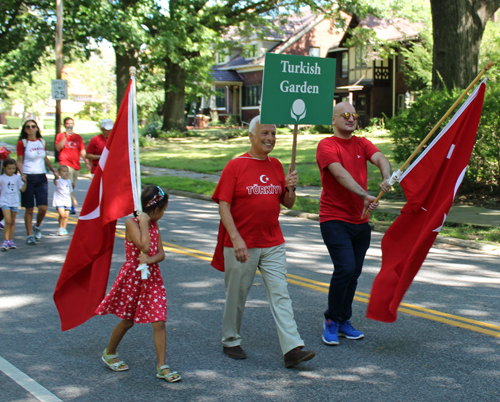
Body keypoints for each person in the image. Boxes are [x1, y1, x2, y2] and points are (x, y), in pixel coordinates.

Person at [211, 115, 315, 368]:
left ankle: (292, 348)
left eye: (273, 133)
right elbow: (223, 205)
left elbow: (287, 203)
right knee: (237, 294)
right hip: (241, 243)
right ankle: (230, 340)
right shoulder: (236, 166)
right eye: (264, 133)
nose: (270, 138)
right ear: (251, 136)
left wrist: (291, 187)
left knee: (281, 294)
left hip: (272, 242)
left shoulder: (276, 165)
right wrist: (235, 238)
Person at [316, 102, 392, 345]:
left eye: (354, 115)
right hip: (334, 219)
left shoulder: (361, 142)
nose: (351, 119)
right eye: (345, 115)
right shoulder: (326, 145)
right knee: (345, 268)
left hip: (360, 221)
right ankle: (331, 320)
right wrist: (364, 195)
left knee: (354, 274)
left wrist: (386, 176)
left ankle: (343, 320)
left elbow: (380, 157)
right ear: (334, 119)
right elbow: (339, 174)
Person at [95, 186, 181, 383]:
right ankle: (109, 352)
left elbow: (160, 253)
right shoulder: (131, 223)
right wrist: (143, 223)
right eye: (164, 209)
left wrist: (150, 261)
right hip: (133, 277)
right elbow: (144, 246)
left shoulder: (154, 225)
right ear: (156, 209)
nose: (164, 213)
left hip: (152, 277)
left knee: (159, 321)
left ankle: (162, 366)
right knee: (128, 321)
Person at [16, 120, 59, 245]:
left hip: (41, 177)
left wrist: (54, 171)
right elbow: (19, 160)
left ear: (37, 128)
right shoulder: (23, 143)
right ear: (24, 130)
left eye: (33, 126)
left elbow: (45, 158)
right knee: (29, 209)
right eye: (28, 127)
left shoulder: (42, 142)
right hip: (28, 177)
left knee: (43, 207)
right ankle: (29, 235)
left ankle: (37, 225)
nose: (30, 128)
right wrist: (22, 173)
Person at [55, 117, 90, 212]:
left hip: (75, 165)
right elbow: (58, 148)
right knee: (68, 183)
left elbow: (82, 150)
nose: (69, 125)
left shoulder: (78, 137)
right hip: (65, 163)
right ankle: (69, 205)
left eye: (71, 123)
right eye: (67, 123)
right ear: (64, 125)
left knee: (71, 185)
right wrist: (65, 137)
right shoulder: (60, 136)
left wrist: (86, 162)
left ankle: (66, 201)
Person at [0, 158, 27, 250]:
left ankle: (10, 240)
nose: (12, 170)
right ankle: (6, 240)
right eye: (9, 169)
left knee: (12, 222)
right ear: (4, 168)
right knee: (8, 220)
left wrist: (25, 182)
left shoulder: (17, 178)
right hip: (4, 201)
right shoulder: (2, 178)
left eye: (13, 168)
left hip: (14, 202)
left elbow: (22, 189)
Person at [52, 165, 77, 236]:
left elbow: (71, 191)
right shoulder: (58, 181)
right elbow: (55, 182)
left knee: (66, 216)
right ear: (59, 173)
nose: (65, 173)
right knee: (62, 215)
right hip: (59, 200)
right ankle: (60, 227)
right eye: (63, 171)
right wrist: (55, 177)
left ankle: (64, 228)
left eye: (66, 172)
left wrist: (74, 200)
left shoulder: (69, 181)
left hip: (67, 200)